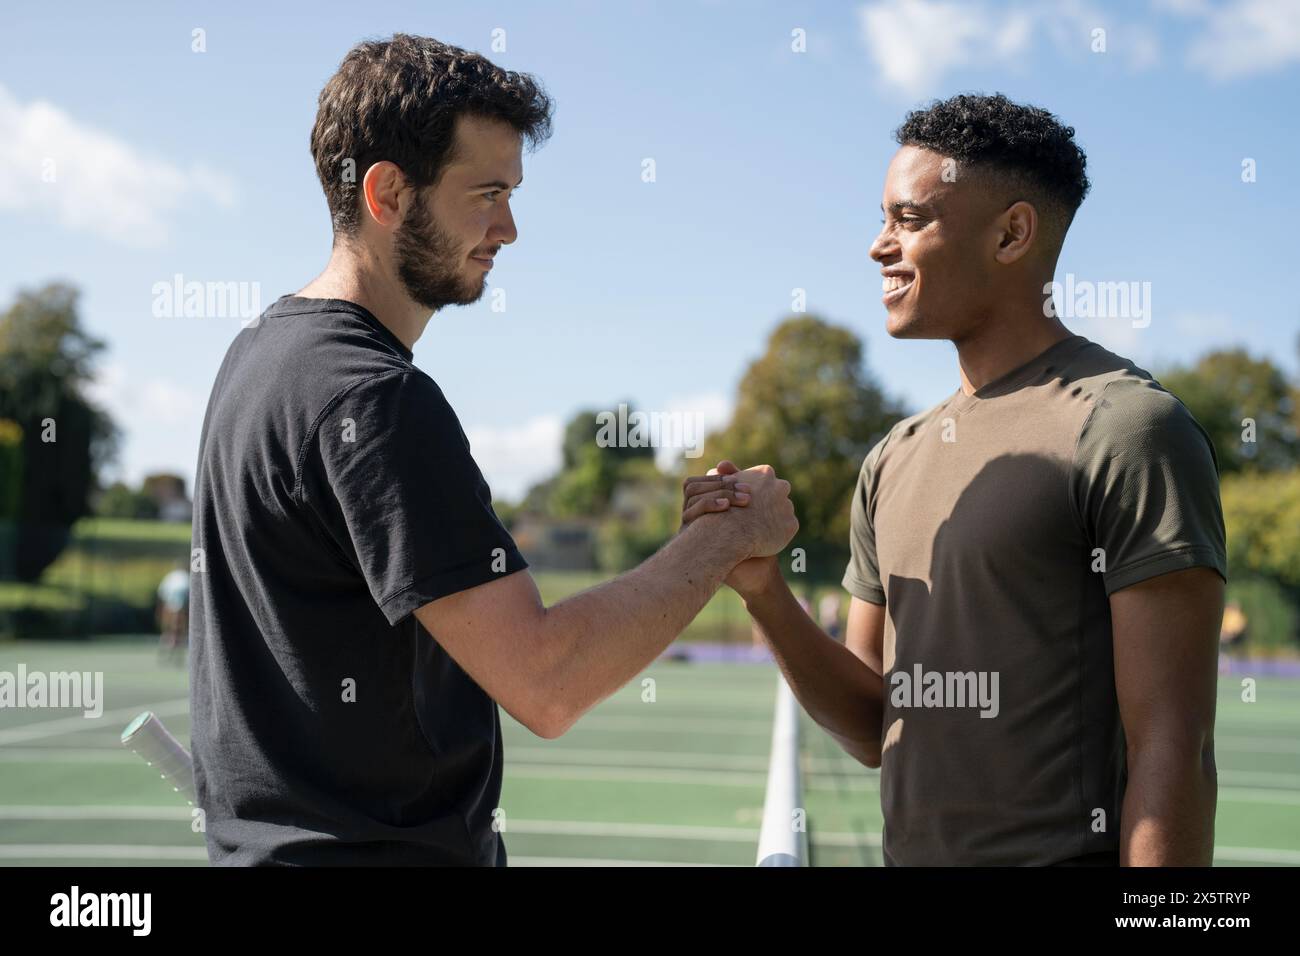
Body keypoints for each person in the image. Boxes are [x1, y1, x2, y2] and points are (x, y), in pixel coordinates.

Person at [188, 35, 798, 866]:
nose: (509, 228)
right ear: (388, 193)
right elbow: (547, 680)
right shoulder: (376, 398)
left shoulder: (256, 354)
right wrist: (726, 536)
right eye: (487, 193)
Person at [682, 94, 1226, 866]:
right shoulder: (892, 457)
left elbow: (1175, 749)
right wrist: (764, 589)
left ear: (1011, 234)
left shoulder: (1128, 428)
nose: (878, 246)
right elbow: (876, 726)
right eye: (881, 218)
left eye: (908, 220)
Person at [155, 565, 190, 663]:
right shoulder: (185, 577)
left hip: (171, 605)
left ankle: (171, 655)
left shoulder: (171, 576)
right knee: (176, 631)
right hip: (176, 605)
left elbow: (162, 594)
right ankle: (172, 655)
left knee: (173, 631)